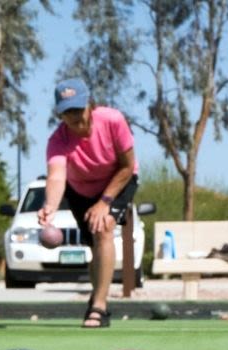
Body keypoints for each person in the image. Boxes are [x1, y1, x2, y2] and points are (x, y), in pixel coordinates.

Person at [37, 78, 140, 328]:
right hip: (80, 191)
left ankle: (99, 307)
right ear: (60, 114)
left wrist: (105, 201)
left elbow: (127, 166)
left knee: (103, 227)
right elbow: (57, 176)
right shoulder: (58, 140)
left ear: (89, 105)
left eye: (77, 108)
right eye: (67, 111)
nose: (74, 116)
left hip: (119, 181)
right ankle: (98, 295)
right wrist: (50, 205)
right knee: (95, 244)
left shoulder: (113, 120)